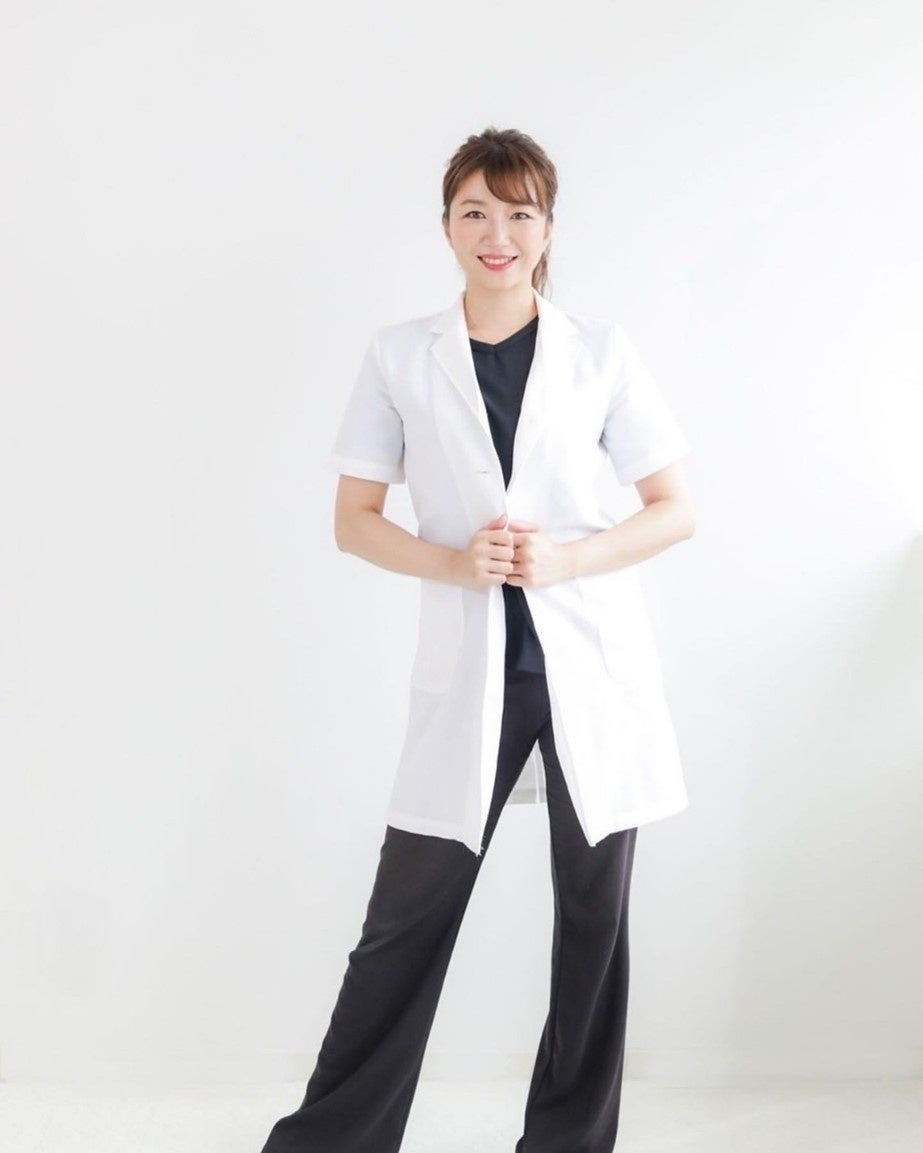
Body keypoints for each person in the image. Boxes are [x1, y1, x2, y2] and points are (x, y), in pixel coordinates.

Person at [259, 126, 695, 1153]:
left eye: (519, 212)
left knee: (592, 924)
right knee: (404, 918)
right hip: (472, 673)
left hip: (588, 671)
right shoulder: (399, 356)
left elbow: (673, 508)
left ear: (548, 228)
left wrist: (566, 561)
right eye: (475, 211)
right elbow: (354, 518)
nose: (497, 232)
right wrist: (457, 564)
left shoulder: (600, 351)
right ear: (447, 225)